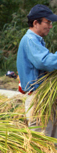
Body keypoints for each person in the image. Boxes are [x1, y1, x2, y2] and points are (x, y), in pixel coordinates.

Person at [17, 4, 57, 139]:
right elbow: (45, 62)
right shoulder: (30, 40)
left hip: (41, 97)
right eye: (48, 22)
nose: (50, 26)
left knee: (50, 138)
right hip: (38, 98)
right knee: (42, 140)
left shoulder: (36, 41)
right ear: (36, 23)